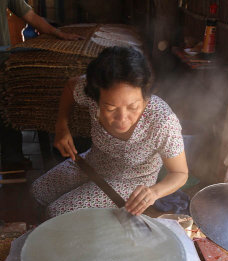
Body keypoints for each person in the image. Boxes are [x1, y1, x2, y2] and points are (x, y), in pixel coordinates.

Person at [32, 46, 188, 217]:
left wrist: (154, 192)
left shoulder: (162, 120)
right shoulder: (93, 88)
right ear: (95, 97)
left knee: (56, 212)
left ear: (146, 95)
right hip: (93, 162)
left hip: (131, 181)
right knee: (37, 192)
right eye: (110, 107)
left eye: (133, 107)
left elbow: (180, 173)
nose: (122, 118)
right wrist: (62, 127)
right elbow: (70, 86)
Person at [0, 0, 84, 170]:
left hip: (1, 57)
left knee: (5, 107)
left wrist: (57, 33)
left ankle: (12, 158)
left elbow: (29, 15)